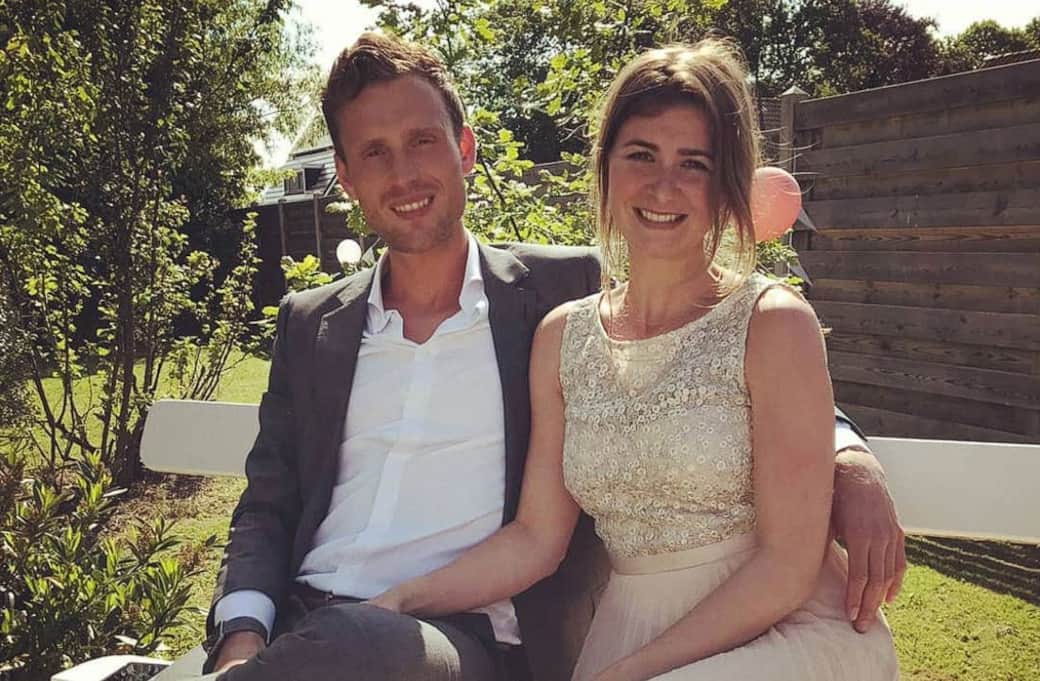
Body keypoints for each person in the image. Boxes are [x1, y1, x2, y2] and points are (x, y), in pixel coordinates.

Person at [159, 33, 903, 681]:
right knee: (340, 647)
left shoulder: (554, 291)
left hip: (445, 639)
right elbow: (267, 503)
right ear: (346, 178)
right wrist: (242, 637)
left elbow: (725, 353)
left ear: (465, 149)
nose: (404, 174)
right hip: (307, 626)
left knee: (368, 646)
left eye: (422, 141)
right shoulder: (313, 323)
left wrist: (849, 458)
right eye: (374, 153)